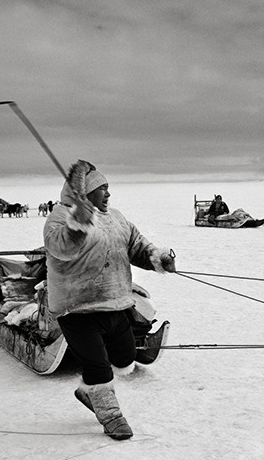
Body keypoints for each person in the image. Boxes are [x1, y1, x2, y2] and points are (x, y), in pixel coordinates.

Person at [43, 160, 176, 440]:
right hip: (77, 308)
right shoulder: (60, 217)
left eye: (108, 188)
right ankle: (110, 415)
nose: (108, 194)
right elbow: (62, 248)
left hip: (116, 302)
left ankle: (86, 391)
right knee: (98, 366)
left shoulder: (116, 218)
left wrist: (159, 259)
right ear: (86, 193)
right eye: (102, 189)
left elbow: (137, 246)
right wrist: (77, 223)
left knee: (125, 357)